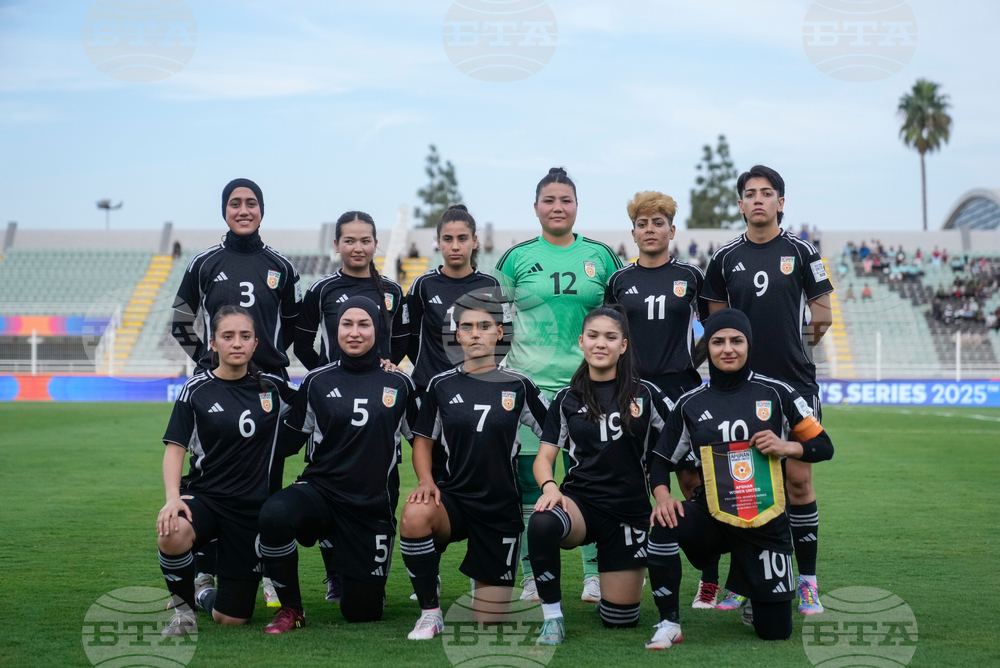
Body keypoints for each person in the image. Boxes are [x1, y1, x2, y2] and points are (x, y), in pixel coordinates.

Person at [644, 309, 833, 649]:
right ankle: (668, 622)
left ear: (749, 345)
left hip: (765, 521)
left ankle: (752, 586)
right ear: (708, 348)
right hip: (712, 517)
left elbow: (823, 446)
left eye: (736, 341)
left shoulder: (778, 393)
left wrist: (787, 446)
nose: (727, 349)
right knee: (664, 521)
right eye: (718, 342)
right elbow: (659, 461)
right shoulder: (690, 403)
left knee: (775, 631)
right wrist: (663, 497)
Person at [702, 165, 833, 614]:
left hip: (795, 382)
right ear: (740, 204)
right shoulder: (723, 258)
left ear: (781, 201)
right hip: (741, 388)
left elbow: (822, 314)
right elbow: (716, 323)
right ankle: (745, 579)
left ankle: (808, 581)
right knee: (746, 483)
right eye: (750, 193)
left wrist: (795, 346)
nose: (758, 199)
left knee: (798, 479)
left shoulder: (801, 251)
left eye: (767, 192)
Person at [494, 167, 625, 603]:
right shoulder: (515, 259)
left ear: (576, 206)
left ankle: (593, 574)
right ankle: (533, 575)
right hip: (529, 388)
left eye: (565, 200)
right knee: (531, 484)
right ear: (536, 207)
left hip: (588, 388)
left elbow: (618, 322)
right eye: (549, 200)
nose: (557, 207)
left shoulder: (601, 257)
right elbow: (495, 323)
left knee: (591, 479)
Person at [170, 178, 302, 608]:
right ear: (224, 210)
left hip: (268, 386)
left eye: (251, 203)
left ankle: (266, 569)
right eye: (235, 203)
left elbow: (295, 326)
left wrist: (271, 359)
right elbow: (179, 321)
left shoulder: (281, 266)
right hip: (220, 384)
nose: (243, 210)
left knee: (268, 475)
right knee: (209, 472)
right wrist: (206, 360)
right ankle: (203, 569)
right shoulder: (204, 263)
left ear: (262, 210)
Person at [258, 297, 416, 633]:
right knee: (274, 514)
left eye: (363, 324)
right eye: (347, 324)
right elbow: (287, 442)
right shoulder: (317, 381)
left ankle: (354, 569)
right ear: (335, 328)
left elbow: (423, 443)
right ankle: (291, 608)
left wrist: (433, 483)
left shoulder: (400, 383)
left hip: (370, 506)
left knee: (361, 612)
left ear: (378, 329)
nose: (354, 332)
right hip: (322, 493)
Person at [400, 292, 550, 640]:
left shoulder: (519, 384)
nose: (475, 333)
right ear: (458, 335)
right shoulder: (440, 384)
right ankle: (430, 613)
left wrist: (549, 479)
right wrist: (426, 481)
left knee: (490, 620)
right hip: (454, 499)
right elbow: (422, 441)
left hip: (500, 507)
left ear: (499, 332)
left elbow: (554, 433)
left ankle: (484, 574)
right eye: (467, 327)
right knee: (415, 514)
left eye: (484, 326)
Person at [526, 305, 671, 645]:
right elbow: (544, 457)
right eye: (593, 336)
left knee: (620, 620)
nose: (600, 343)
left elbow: (680, 439)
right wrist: (550, 487)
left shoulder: (646, 394)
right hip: (581, 505)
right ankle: (552, 617)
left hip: (629, 511)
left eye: (610, 337)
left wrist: (664, 488)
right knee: (543, 521)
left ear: (623, 345)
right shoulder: (567, 398)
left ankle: (612, 592)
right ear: (581, 342)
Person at [604, 191, 719, 607]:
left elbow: (714, 329)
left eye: (658, 223)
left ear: (672, 230)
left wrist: (691, 362)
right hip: (632, 392)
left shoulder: (691, 276)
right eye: (642, 224)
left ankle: (709, 576)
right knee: (633, 482)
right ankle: (628, 570)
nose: (650, 230)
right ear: (633, 232)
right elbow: (610, 335)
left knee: (692, 482)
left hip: (680, 392)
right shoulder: (619, 281)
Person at [157, 306, 296, 636]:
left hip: (249, 512)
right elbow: (175, 448)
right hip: (205, 498)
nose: (237, 343)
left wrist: (382, 367)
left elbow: (323, 395)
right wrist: (173, 498)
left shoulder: (274, 388)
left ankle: (202, 594)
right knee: (172, 530)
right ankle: (184, 612)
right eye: (228, 336)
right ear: (213, 343)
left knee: (231, 619)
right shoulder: (196, 389)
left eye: (245, 336)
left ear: (256, 343)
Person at [407, 205, 509, 392]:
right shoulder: (423, 285)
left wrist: (481, 370)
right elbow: (409, 337)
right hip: (429, 388)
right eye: (448, 239)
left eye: (462, 238)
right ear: (439, 242)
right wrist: (428, 369)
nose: (455, 246)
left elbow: (505, 336)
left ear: (474, 241)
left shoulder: (491, 285)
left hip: (477, 387)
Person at [295, 211, 407, 372]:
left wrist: (384, 371)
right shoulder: (320, 290)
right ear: (336, 245)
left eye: (365, 241)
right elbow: (302, 346)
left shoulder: (393, 291)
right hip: (333, 385)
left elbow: (401, 342)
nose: (358, 248)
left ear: (375, 244)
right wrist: (324, 375)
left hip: (378, 384)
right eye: (349, 241)